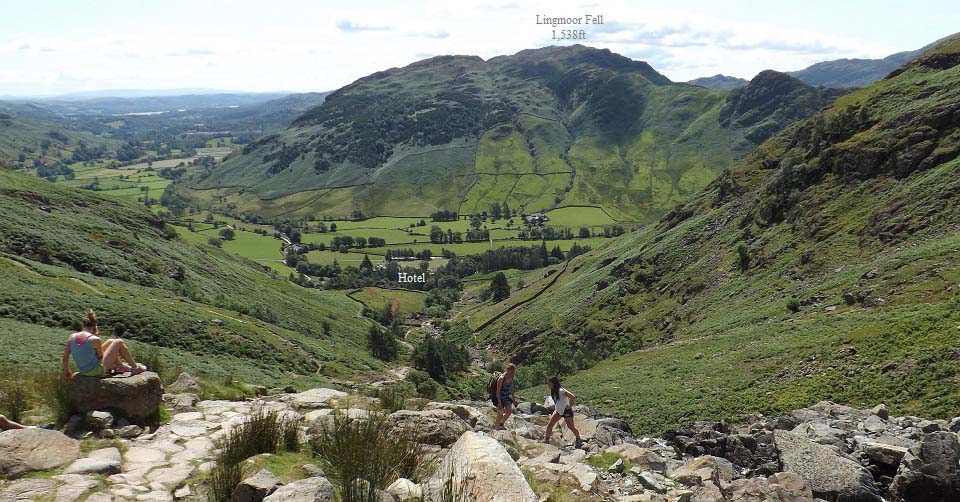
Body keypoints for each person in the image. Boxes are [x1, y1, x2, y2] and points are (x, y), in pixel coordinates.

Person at [62, 309, 145, 379]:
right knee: (118, 342)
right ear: (95, 327)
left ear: (83, 326)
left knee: (110, 341)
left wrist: (67, 371)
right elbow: (100, 356)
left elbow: (65, 358)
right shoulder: (94, 339)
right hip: (96, 371)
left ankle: (120, 366)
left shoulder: (72, 337)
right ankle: (135, 368)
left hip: (83, 370)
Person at [544, 376, 582, 448]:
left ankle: (578, 439)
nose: (548, 385)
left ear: (553, 383)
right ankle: (546, 440)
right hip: (558, 411)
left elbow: (572, 396)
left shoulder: (561, 390)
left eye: (549, 383)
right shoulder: (553, 391)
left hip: (566, 411)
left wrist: (570, 405)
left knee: (571, 426)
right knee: (550, 424)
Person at [493, 363, 517, 430]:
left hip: (506, 396)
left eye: (514, 372)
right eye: (512, 372)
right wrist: (499, 402)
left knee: (509, 412)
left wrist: (514, 399)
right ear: (508, 370)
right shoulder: (501, 378)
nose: (513, 373)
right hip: (499, 397)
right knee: (500, 414)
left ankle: (501, 424)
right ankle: (496, 429)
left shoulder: (511, 377)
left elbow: (512, 388)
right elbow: (497, 391)